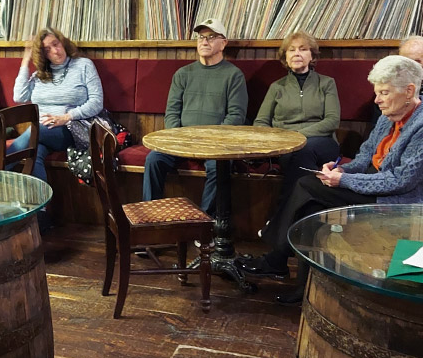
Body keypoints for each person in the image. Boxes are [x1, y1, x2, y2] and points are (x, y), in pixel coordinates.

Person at [237, 55, 423, 302]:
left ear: (409, 91)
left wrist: (342, 180)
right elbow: (364, 156)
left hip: (395, 198)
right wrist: (342, 170)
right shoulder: (387, 116)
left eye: (384, 93)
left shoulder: (420, 126)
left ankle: (275, 253)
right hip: (372, 181)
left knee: (306, 184)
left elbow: (400, 181)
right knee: (311, 208)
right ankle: (303, 289)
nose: (377, 100)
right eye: (377, 92)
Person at [142, 17, 247, 215]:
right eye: (201, 37)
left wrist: (210, 141)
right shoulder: (183, 74)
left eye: (211, 37)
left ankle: (203, 223)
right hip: (181, 141)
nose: (204, 41)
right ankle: (150, 220)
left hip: (216, 145)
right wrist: (180, 139)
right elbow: (172, 112)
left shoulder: (234, 75)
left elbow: (236, 116)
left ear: (223, 43)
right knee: (154, 159)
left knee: (220, 167)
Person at [253, 31, 340, 212]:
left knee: (302, 151)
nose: (296, 54)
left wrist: (297, 136)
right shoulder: (277, 87)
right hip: (285, 146)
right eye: (291, 50)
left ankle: (281, 213)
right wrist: (278, 140)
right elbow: (260, 122)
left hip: (322, 141)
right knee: (296, 156)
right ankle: (304, 217)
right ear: (285, 56)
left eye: (303, 49)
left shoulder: (326, 83)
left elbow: (332, 121)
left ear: (312, 55)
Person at [11, 27, 103, 183]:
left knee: (35, 131)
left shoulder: (83, 65)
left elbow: (97, 102)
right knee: (34, 155)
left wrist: (66, 117)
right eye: (47, 50)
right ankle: (41, 207)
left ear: (63, 42)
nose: (55, 51)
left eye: (56, 44)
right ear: (44, 55)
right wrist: (25, 61)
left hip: (73, 128)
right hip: (44, 132)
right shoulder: (40, 75)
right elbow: (19, 97)